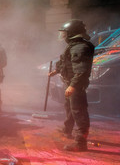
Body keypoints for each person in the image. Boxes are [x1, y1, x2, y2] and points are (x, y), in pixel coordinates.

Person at [49, 19, 95, 152]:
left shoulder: (80, 47)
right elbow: (67, 62)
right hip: (70, 83)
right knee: (69, 107)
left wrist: (73, 86)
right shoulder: (74, 46)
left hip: (75, 85)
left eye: (65, 34)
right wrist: (56, 71)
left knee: (78, 111)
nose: (63, 36)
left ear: (72, 33)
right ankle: (67, 129)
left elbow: (81, 70)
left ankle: (80, 143)